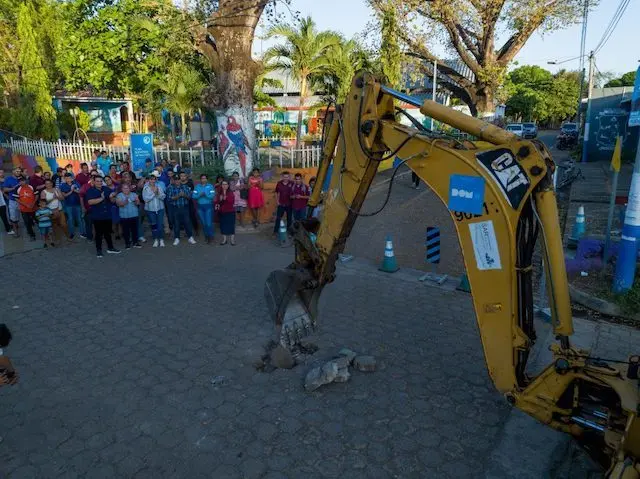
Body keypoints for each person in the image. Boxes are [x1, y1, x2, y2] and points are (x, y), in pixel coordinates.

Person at [85, 176, 120, 257]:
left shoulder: (106, 189)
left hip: (107, 215)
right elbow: (90, 202)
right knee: (99, 234)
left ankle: (110, 248)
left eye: (101, 181)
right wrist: (102, 198)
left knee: (108, 233)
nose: (99, 183)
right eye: (97, 181)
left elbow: (112, 199)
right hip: (97, 216)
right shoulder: (90, 191)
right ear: (93, 182)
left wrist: (113, 197)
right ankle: (99, 250)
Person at [166, 172, 195, 246]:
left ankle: (190, 237)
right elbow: (169, 199)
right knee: (176, 223)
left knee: (187, 222)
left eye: (178, 179)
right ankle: (176, 238)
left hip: (184, 207)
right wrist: (178, 196)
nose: (177, 181)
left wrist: (184, 195)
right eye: (175, 180)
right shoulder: (170, 187)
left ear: (180, 180)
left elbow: (189, 197)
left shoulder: (185, 187)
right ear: (174, 180)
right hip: (175, 208)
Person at [143, 173, 166, 247]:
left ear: (156, 180)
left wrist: (158, 194)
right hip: (150, 210)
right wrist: (154, 194)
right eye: (151, 179)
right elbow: (146, 199)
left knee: (160, 225)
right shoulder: (145, 188)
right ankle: (156, 239)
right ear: (148, 180)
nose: (152, 180)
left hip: (160, 208)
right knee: (153, 225)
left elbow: (163, 197)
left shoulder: (159, 186)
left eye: (154, 179)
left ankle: (161, 239)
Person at [116, 183, 142, 249]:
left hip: (134, 215)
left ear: (129, 189)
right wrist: (125, 201)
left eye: (127, 188)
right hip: (124, 216)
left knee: (134, 230)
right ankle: (127, 243)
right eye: (124, 188)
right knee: (126, 231)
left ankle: (135, 242)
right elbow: (119, 204)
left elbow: (138, 203)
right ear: (122, 189)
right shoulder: (119, 195)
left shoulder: (134, 194)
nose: (126, 190)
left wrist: (136, 201)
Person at [192, 174, 215, 243]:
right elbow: (193, 196)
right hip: (200, 207)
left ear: (207, 179)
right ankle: (206, 236)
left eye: (205, 178)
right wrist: (199, 195)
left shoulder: (210, 186)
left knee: (208, 223)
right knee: (203, 223)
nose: (203, 180)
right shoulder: (197, 187)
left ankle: (211, 236)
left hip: (208, 206)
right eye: (202, 178)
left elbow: (212, 196)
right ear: (200, 179)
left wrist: (206, 195)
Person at [16, 176, 37, 241]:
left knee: (37, 220)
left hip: (33, 208)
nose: (21, 182)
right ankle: (32, 235)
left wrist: (33, 203)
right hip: (24, 209)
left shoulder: (31, 187)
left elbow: (37, 195)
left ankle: (45, 233)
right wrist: (26, 205)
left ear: (25, 181)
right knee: (27, 222)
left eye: (23, 180)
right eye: (20, 181)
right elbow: (16, 199)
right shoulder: (17, 189)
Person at [3, 167, 21, 236]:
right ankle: (15, 231)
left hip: (21, 200)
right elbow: (4, 189)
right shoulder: (8, 179)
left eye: (19, 171)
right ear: (13, 171)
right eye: (17, 171)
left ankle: (16, 226)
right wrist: (13, 188)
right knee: (13, 217)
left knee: (17, 217)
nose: (18, 172)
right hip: (12, 200)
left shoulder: (21, 179)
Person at [216, 180, 236, 245]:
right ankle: (224, 240)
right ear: (221, 186)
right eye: (223, 184)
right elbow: (217, 202)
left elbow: (232, 201)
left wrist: (225, 198)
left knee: (231, 225)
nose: (224, 186)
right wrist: (220, 200)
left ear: (228, 185)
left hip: (230, 211)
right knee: (223, 226)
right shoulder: (219, 193)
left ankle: (232, 240)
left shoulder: (231, 192)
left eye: (226, 184)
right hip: (222, 212)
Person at [273, 171, 293, 236]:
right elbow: (276, 192)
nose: (286, 178)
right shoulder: (279, 183)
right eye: (284, 177)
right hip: (281, 204)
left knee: (289, 218)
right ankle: (275, 231)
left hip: (289, 204)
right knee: (278, 218)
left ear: (289, 177)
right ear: (282, 177)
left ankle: (289, 231)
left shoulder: (292, 183)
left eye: (287, 177)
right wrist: (277, 202)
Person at [79, 174, 97, 241]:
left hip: (97, 208)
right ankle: (89, 237)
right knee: (88, 223)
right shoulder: (85, 186)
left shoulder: (98, 186)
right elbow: (81, 197)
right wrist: (83, 207)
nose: (93, 180)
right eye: (92, 178)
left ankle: (97, 237)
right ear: (91, 179)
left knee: (97, 224)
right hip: (88, 208)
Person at [0, 169, 12, 234]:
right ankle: (8, 225)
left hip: (7, 197)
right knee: (3, 213)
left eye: (2, 172)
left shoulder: (6, 180)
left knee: (9, 210)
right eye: (0, 172)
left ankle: (11, 222)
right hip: (2, 198)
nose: (1, 174)